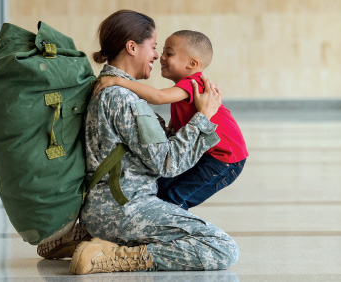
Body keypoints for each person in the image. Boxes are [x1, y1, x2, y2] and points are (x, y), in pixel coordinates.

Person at [69, 10, 239, 275]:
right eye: (155, 47)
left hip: (107, 206)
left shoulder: (106, 87)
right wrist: (204, 117)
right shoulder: (123, 98)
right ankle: (114, 255)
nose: (157, 56)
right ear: (132, 47)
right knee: (221, 247)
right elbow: (168, 164)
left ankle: (85, 240)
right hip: (124, 209)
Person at [93, 30, 248, 210]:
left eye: (170, 53)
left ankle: (172, 225)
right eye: (163, 51)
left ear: (192, 63)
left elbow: (157, 97)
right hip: (207, 154)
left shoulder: (192, 84)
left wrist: (118, 81)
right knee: (161, 189)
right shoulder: (183, 89)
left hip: (224, 159)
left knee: (175, 197)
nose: (162, 57)